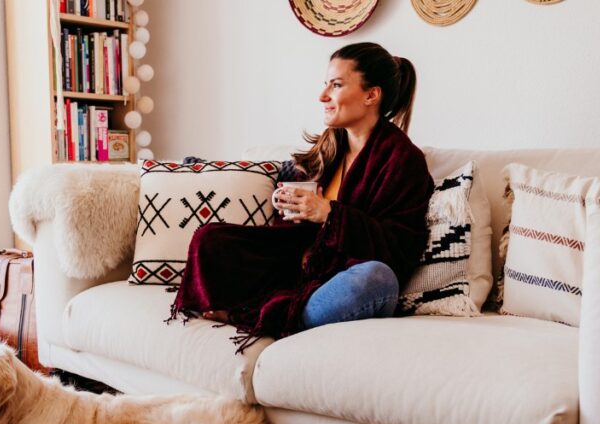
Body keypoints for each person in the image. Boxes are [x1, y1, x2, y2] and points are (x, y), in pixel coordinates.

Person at [169, 42, 435, 352]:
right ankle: (271, 310)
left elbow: (398, 248)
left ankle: (272, 316)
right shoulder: (328, 148)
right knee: (210, 238)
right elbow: (299, 234)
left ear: (371, 95)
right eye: (325, 84)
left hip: (348, 279)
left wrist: (329, 215)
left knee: (376, 278)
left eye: (335, 85)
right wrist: (291, 209)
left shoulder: (402, 160)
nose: (322, 96)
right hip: (301, 269)